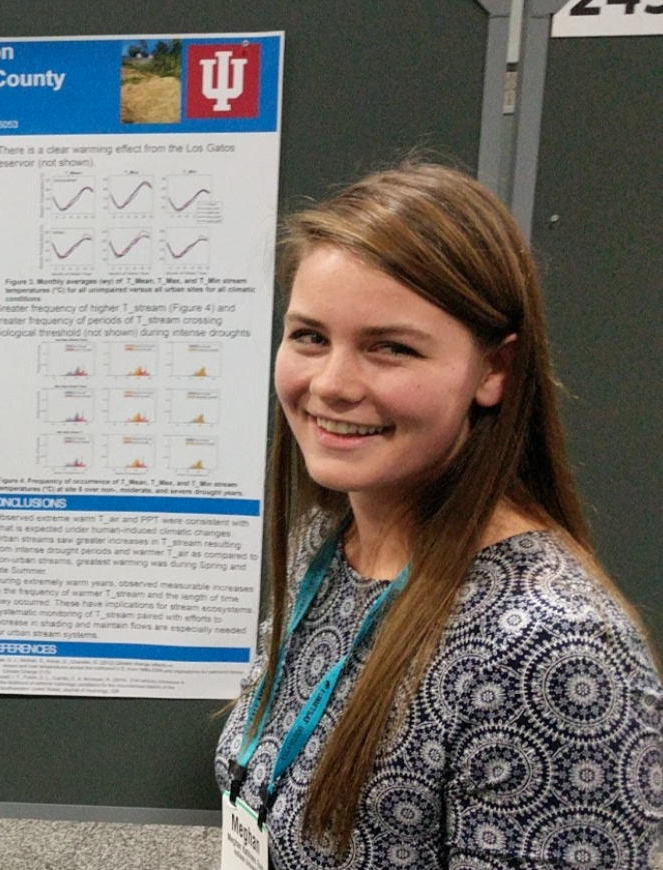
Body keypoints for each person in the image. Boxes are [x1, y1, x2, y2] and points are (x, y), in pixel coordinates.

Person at [215, 162, 663, 869]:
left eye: (390, 348)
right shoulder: (329, 546)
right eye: (309, 337)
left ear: (494, 372)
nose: (330, 385)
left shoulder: (550, 650)